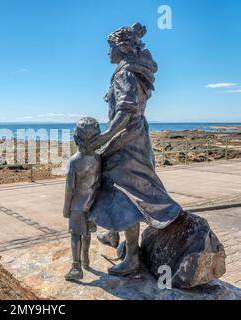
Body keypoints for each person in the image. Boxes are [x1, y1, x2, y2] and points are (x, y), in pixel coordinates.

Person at [87, 23, 182, 276]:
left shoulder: (125, 74)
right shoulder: (132, 69)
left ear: (120, 48)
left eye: (109, 47)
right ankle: (112, 234)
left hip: (126, 142)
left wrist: (106, 136)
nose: (106, 52)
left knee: (128, 195)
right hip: (136, 137)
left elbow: (126, 110)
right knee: (115, 188)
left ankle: (132, 259)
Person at [63, 117, 100, 281]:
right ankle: (86, 258)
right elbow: (98, 182)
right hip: (91, 203)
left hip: (77, 206)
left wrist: (66, 209)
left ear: (76, 138)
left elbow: (69, 189)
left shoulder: (73, 162)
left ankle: (76, 267)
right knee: (86, 232)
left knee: (75, 234)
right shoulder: (98, 159)